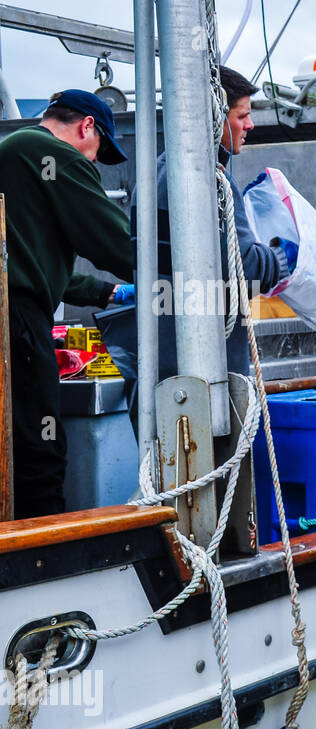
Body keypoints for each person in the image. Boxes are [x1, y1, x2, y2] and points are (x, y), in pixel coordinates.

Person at [121, 66, 295, 421]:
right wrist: (282, 255)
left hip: (158, 366)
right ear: (215, 116)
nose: (250, 126)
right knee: (213, 468)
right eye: (242, 115)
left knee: (167, 471)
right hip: (204, 374)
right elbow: (245, 270)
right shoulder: (213, 182)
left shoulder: (153, 175)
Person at [0, 90, 135, 518]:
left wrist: (105, 292)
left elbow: (29, 257)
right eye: (99, 152)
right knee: (39, 451)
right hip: (18, 321)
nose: (94, 162)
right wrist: (176, 276)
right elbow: (117, 244)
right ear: (86, 126)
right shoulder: (51, 154)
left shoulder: (16, 151)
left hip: (15, 309)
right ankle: (45, 563)